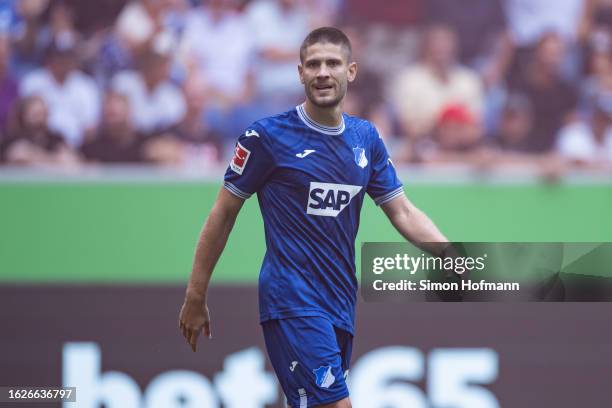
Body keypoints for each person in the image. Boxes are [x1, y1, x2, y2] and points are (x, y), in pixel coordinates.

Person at [178, 27, 450, 408]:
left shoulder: (365, 138)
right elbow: (223, 213)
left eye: (333, 63)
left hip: (340, 302)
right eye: (314, 64)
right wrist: (196, 294)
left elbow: (402, 210)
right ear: (300, 73)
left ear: (351, 72)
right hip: (292, 299)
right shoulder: (266, 137)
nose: (323, 72)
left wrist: (451, 255)